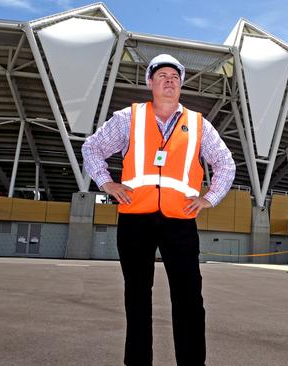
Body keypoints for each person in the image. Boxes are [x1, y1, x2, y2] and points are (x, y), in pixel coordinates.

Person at [82, 54, 235, 366]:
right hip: (135, 218)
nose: (169, 80)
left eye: (175, 77)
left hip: (180, 221)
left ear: (180, 85)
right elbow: (92, 147)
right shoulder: (128, 118)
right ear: (150, 82)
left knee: (189, 298)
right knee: (137, 297)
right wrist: (107, 183)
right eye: (162, 75)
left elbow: (225, 162)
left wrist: (210, 198)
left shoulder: (197, 124)